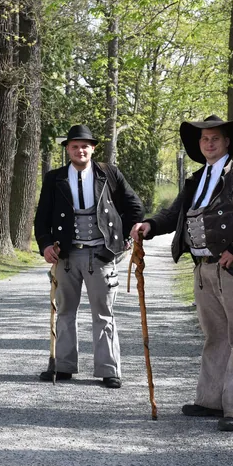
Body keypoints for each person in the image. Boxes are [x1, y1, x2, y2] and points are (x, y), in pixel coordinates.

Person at [130, 115, 233, 430]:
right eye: (204, 139)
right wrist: (150, 226)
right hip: (203, 269)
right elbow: (174, 214)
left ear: (227, 142)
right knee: (216, 336)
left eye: (215, 138)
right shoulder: (196, 179)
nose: (209, 143)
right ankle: (211, 400)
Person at [35, 124, 144, 389]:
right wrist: (46, 244)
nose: (80, 150)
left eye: (85, 146)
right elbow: (42, 218)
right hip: (66, 256)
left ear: (92, 148)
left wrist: (125, 238)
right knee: (64, 312)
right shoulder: (54, 178)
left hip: (101, 254)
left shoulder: (109, 174)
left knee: (104, 314)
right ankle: (63, 366)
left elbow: (135, 207)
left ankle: (109, 369)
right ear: (67, 150)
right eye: (74, 146)